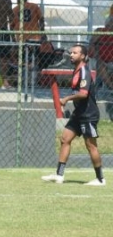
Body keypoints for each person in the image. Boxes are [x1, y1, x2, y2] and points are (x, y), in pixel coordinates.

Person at [42, 44, 106, 186]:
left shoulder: (84, 72)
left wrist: (66, 99)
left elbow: (83, 94)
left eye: (75, 53)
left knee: (91, 146)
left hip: (88, 114)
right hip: (79, 113)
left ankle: (100, 179)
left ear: (83, 56)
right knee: (65, 139)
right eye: (71, 53)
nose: (71, 55)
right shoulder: (76, 70)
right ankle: (59, 175)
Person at [11, 0, 45, 67]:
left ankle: (24, 74)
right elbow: (41, 19)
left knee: (23, 60)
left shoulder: (15, 9)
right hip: (35, 38)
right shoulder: (34, 6)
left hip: (22, 39)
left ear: (18, 0)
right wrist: (42, 32)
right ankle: (34, 72)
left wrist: (14, 41)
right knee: (35, 58)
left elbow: (11, 26)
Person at [88, 13, 113, 91]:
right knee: (100, 65)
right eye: (110, 23)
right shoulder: (100, 31)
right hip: (96, 59)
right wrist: (98, 57)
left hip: (110, 61)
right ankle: (111, 87)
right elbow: (91, 44)